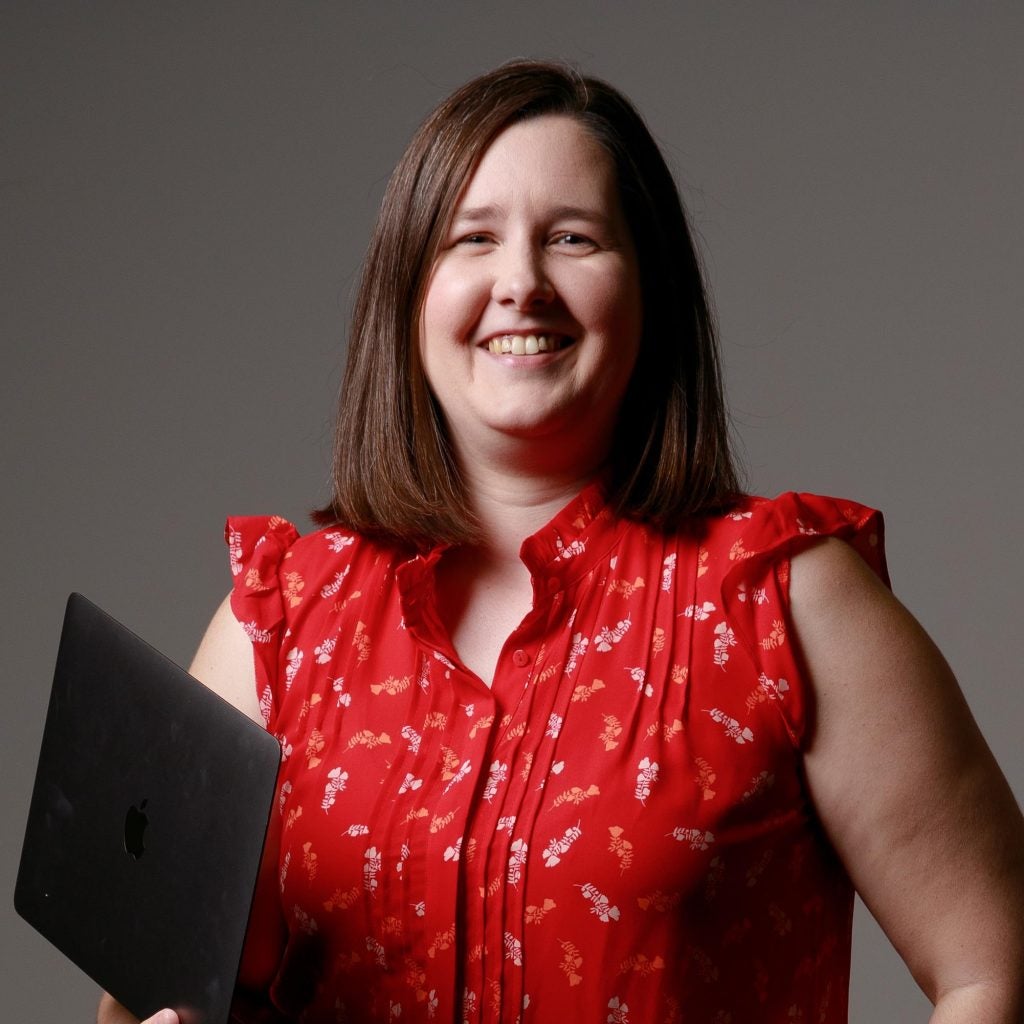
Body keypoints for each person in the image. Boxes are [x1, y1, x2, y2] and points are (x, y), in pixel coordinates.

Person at [99, 60, 1024, 1024]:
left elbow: (994, 967)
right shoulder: (278, 628)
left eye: (572, 238)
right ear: (409, 296)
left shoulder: (782, 603)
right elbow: (142, 992)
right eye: (474, 240)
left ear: (648, 289)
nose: (521, 284)